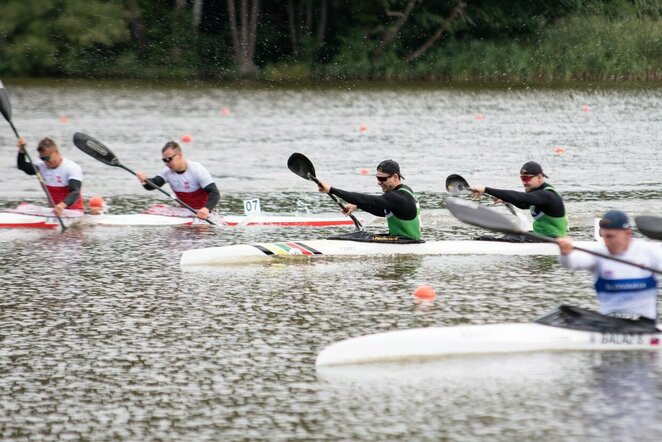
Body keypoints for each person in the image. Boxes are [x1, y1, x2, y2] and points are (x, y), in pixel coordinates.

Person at [556, 210, 662, 324]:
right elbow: (572, 263)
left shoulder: (648, 251)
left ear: (628, 233)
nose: (607, 242)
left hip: (645, 326)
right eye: (604, 236)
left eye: (611, 237)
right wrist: (565, 252)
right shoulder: (599, 253)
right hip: (609, 325)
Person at [316, 159, 421, 240]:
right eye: (377, 178)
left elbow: (366, 199)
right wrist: (358, 206)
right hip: (404, 240)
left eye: (382, 179)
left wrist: (331, 189)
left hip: (406, 243)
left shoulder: (397, 197)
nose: (379, 182)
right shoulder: (406, 191)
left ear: (395, 177)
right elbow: (382, 211)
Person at [470, 161, 567, 238]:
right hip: (542, 236)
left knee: (508, 238)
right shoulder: (538, 195)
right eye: (522, 179)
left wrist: (486, 189)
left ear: (540, 177)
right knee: (507, 235)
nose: (524, 183)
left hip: (553, 240)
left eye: (527, 179)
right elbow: (523, 204)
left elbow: (520, 197)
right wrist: (505, 199)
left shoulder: (547, 195)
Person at [136, 141, 220, 220]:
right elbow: (152, 186)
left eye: (169, 159)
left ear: (179, 155)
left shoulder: (197, 170)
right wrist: (144, 180)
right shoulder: (167, 172)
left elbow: (215, 194)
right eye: (164, 160)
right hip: (184, 211)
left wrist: (206, 209)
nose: (167, 163)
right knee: (155, 208)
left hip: (202, 213)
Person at [16, 136, 84, 216]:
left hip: (74, 212)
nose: (45, 161)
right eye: (42, 158)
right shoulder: (41, 166)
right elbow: (22, 166)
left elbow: (75, 192)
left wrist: (62, 205)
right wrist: (21, 151)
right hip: (54, 211)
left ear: (56, 152)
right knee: (23, 207)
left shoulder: (72, 168)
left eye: (47, 158)